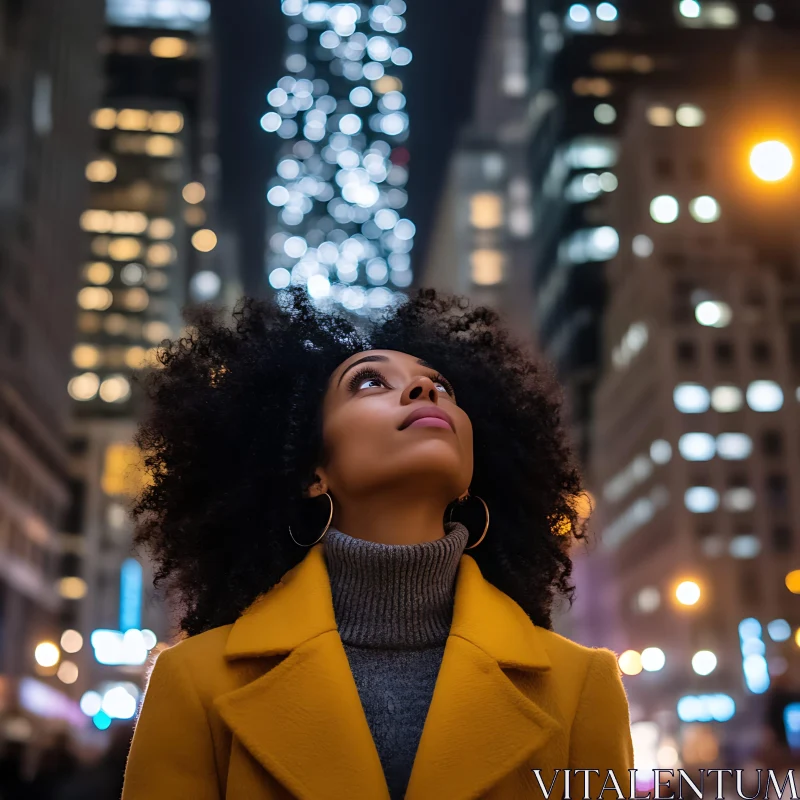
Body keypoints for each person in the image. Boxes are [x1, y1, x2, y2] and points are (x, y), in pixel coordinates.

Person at [121, 287, 634, 800]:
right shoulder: (192, 682)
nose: (424, 391)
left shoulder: (581, 685)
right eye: (369, 382)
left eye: (442, 386)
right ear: (310, 471)